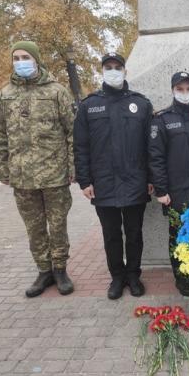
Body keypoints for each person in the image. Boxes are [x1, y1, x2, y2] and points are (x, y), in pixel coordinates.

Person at [0, 41, 75, 298]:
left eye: (25, 56)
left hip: (54, 174)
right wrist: (2, 169)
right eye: (16, 57)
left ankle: (60, 269)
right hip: (22, 176)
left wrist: (73, 167)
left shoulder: (57, 91)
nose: (20, 62)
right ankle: (43, 270)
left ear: (37, 59)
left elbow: (72, 132)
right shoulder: (6, 94)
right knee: (34, 227)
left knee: (57, 225)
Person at [73, 53, 153, 300]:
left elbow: (151, 146)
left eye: (118, 67)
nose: (113, 71)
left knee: (134, 233)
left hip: (135, 181)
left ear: (125, 71)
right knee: (111, 235)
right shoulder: (89, 105)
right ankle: (117, 277)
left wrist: (151, 178)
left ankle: (133, 275)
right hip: (104, 183)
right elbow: (81, 146)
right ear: (102, 71)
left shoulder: (141, 104)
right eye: (108, 67)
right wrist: (84, 181)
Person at [148, 71, 189, 296]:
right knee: (178, 236)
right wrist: (161, 190)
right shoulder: (162, 120)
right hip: (176, 192)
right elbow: (155, 158)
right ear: (173, 91)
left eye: (188, 89)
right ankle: (182, 277)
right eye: (180, 89)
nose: (184, 93)